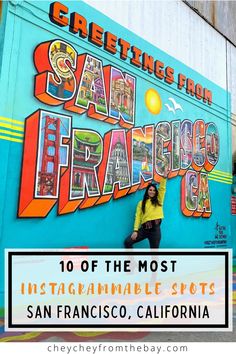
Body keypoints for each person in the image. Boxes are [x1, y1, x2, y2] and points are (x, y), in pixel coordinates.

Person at [124, 176, 167, 249]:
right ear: (147, 191)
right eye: (150, 190)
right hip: (144, 230)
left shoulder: (159, 200)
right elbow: (137, 217)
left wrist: (164, 178)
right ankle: (132, 260)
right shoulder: (141, 203)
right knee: (127, 242)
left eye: (154, 190)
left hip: (155, 231)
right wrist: (135, 230)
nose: (152, 192)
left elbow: (162, 189)